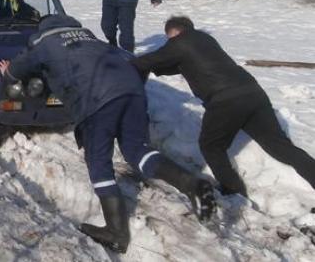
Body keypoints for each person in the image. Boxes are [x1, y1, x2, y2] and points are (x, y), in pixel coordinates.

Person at [0, 14, 215, 253]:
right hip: (132, 91)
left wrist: (8, 71)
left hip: (96, 97)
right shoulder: (89, 37)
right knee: (137, 151)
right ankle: (191, 184)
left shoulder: (44, 41)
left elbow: (17, 70)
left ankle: (116, 232)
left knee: (98, 161)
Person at [132, 16, 315, 198]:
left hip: (225, 100)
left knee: (211, 146)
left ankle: (234, 192)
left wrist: (128, 67)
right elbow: (181, 64)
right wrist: (157, 68)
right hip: (253, 93)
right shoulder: (205, 40)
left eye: (169, 38)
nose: (169, 42)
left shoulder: (180, 42)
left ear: (175, 32)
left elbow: (146, 61)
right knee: (281, 147)